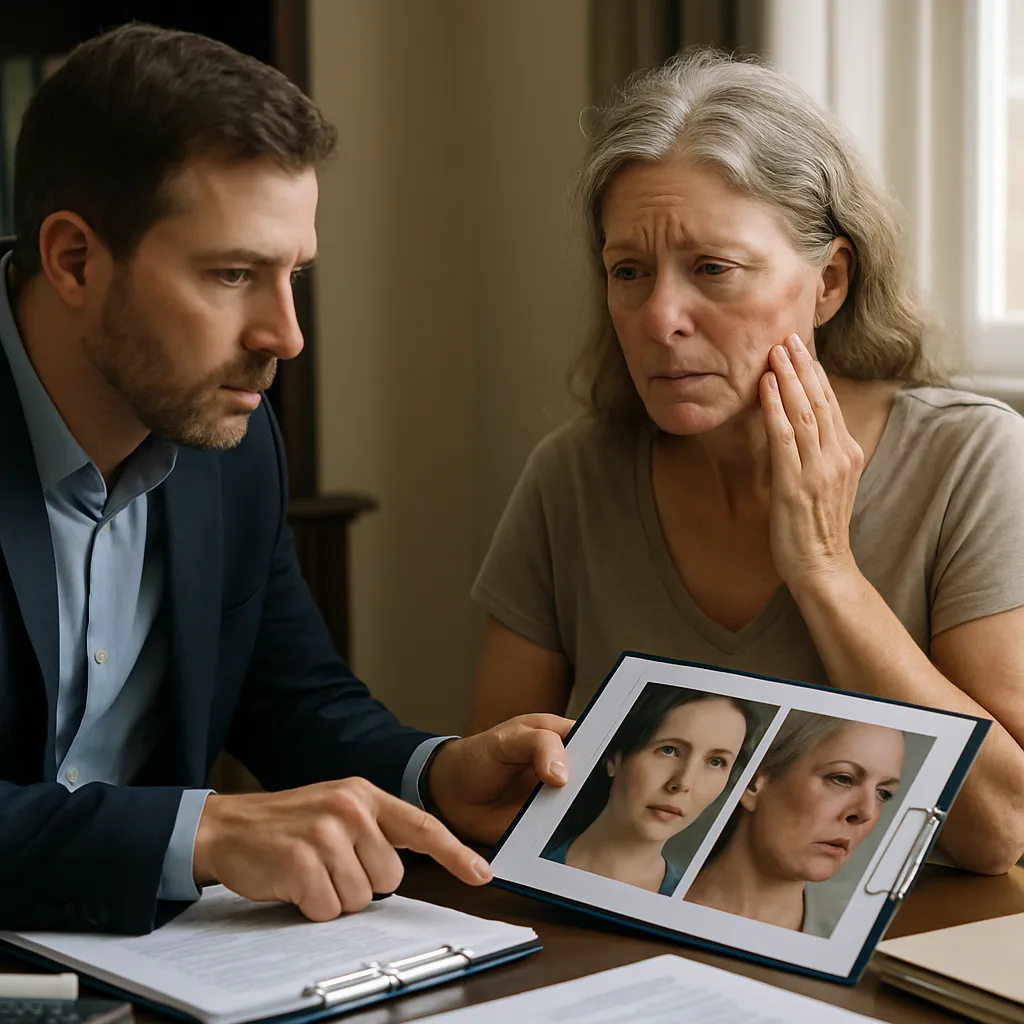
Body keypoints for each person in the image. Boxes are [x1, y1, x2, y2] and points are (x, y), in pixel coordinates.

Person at [0, 23, 572, 935]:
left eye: (293, 274)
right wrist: (203, 830)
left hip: (151, 969)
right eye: (232, 274)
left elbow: (296, 704)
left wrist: (439, 773)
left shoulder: (234, 441)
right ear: (74, 259)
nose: (286, 334)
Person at [467, 49, 1024, 876]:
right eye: (629, 272)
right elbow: (497, 798)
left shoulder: (968, 460)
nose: (659, 319)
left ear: (829, 281)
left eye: (712, 270)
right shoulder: (573, 475)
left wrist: (829, 572)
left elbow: (1000, 830)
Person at [683, 712, 905, 936]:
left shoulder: (859, 940)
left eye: (883, 793)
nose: (866, 812)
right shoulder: (652, 898)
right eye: (842, 778)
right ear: (752, 783)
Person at [543, 684, 761, 895]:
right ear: (614, 757)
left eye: (715, 762)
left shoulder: (696, 906)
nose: (683, 782)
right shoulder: (520, 860)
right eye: (669, 750)